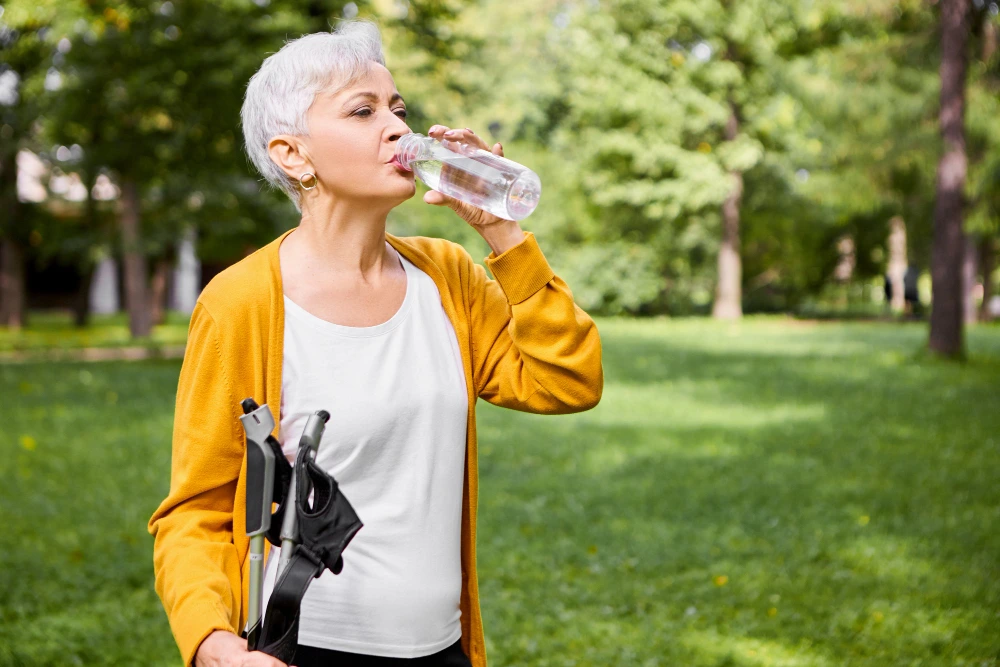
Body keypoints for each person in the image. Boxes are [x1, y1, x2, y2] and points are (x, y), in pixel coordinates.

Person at [146, 19, 603, 667]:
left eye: (398, 108)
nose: (397, 128)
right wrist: (214, 644)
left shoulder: (447, 277)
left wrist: (503, 233)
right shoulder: (242, 301)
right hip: (306, 646)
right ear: (293, 155)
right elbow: (196, 509)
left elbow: (568, 381)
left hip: (443, 647)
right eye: (362, 111)